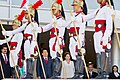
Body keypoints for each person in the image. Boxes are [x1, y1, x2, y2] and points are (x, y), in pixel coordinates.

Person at [2, 3, 42, 78]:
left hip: (31, 42)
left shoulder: (34, 24)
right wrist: (6, 33)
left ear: (31, 15)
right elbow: (16, 31)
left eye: (26, 14)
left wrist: (32, 47)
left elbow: (35, 36)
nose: (25, 15)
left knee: (31, 58)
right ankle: (27, 74)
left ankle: (30, 75)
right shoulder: (26, 24)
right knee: (27, 58)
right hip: (26, 42)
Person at [65, 0, 95, 78]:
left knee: (79, 55)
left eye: (75, 6)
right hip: (72, 37)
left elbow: (83, 27)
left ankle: (80, 73)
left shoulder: (82, 16)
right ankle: (76, 72)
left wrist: (81, 40)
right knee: (73, 55)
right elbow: (65, 24)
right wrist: (70, 20)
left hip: (78, 37)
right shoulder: (73, 15)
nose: (74, 7)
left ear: (80, 7)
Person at [38, 1, 66, 78]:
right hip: (52, 39)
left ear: (59, 10)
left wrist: (59, 41)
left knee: (58, 57)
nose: (53, 11)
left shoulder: (62, 20)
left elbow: (62, 32)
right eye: (52, 10)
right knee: (53, 56)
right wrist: (37, 29)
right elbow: (46, 27)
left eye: (54, 9)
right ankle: (54, 73)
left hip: (57, 40)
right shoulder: (54, 20)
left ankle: (57, 74)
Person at [0, 10, 25, 78]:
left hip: (15, 51)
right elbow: (8, 40)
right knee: (11, 65)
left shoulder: (19, 34)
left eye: (14, 25)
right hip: (11, 51)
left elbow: (19, 44)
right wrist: (1, 41)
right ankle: (14, 76)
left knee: (15, 64)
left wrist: (16, 52)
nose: (13, 26)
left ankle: (17, 76)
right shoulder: (13, 34)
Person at [93, 0, 114, 74]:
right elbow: (90, 16)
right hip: (97, 33)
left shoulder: (107, 8)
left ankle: (104, 72)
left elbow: (109, 25)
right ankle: (100, 72)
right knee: (98, 52)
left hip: (103, 33)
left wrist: (106, 36)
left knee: (103, 52)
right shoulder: (99, 9)